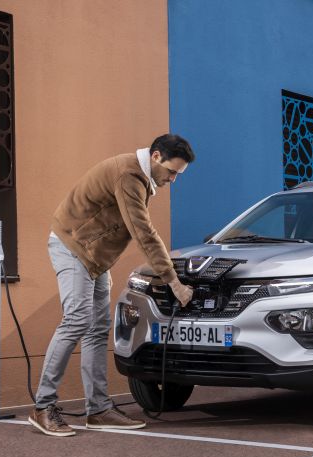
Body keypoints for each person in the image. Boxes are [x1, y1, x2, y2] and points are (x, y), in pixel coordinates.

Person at [28, 134, 195, 437]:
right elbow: (143, 232)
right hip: (73, 247)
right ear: (156, 157)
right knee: (77, 320)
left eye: (178, 174)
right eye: (172, 171)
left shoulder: (142, 177)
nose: (173, 179)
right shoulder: (129, 175)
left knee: (97, 328)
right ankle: (43, 406)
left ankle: (99, 410)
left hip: (95, 257)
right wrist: (174, 282)